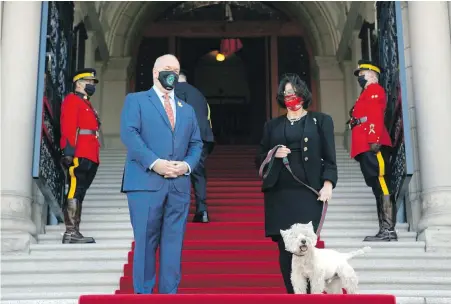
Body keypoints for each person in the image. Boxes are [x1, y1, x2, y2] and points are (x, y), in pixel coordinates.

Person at [120, 54, 203, 294]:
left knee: (173, 244)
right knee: (146, 242)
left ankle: (169, 295)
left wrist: (186, 165)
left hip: (178, 185)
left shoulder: (185, 109)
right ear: (155, 72)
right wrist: (154, 162)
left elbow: (196, 143)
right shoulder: (136, 100)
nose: (172, 74)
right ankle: (144, 295)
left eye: (176, 70)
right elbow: (130, 134)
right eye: (167, 69)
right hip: (145, 183)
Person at [256, 73, 338, 294]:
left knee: (306, 246)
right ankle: (294, 295)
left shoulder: (321, 121)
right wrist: (274, 153)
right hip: (280, 194)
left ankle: (312, 293)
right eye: (286, 93)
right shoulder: (272, 126)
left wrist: (328, 184)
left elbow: (330, 158)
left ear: (303, 94)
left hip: (308, 192)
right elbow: (259, 158)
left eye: (293, 92)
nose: (290, 97)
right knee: (286, 248)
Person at [349, 59, 397, 242]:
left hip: (372, 143)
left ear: (372, 75)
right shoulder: (365, 93)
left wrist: (374, 139)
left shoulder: (375, 90)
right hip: (365, 144)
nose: (359, 77)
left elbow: (375, 116)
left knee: (381, 182)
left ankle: (388, 230)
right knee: (377, 186)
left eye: (362, 74)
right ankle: (384, 229)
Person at [60, 68, 101, 244]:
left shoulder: (86, 103)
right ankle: (70, 232)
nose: (92, 85)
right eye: (89, 82)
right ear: (79, 83)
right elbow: (68, 126)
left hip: (90, 153)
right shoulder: (71, 100)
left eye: (93, 82)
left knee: (81, 192)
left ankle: (75, 231)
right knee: (75, 189)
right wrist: (69, 151)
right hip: (80, 152)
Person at [175, 70, 215, 223]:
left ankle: (179, 211)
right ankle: (202, 210)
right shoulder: (199, 94)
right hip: (203, 137)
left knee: (178, 172)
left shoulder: (174, 91)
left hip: (184, 137)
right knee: (198, 173)